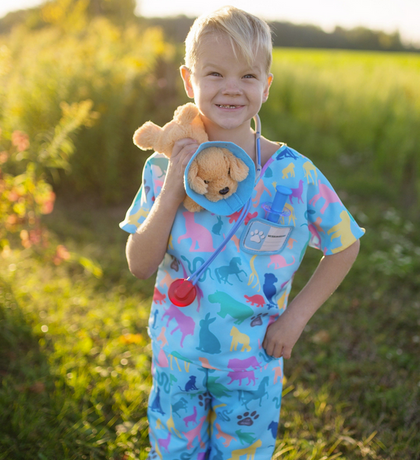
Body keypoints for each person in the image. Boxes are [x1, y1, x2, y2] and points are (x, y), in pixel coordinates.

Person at [120, 6, 364, 460]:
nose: (231, 88)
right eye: (214, 73)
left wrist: (296, 318)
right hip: (178, 357)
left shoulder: (293, 175)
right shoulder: (161, 167)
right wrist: (173, 189)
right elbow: (138, 264)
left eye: (248, 76)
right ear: (189, 81)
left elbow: (344, 244)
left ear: (266, 86)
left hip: (252, 361)